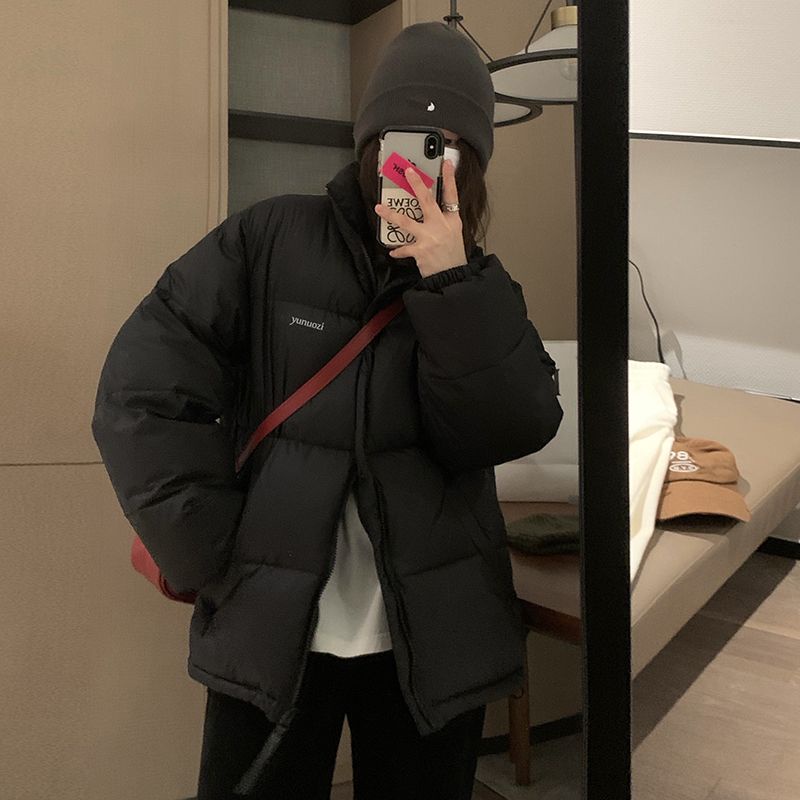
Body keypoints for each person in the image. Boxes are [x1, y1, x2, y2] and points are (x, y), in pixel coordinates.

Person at [91, 20, 563, 800]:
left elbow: (512, 425)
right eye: (410, 142)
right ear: (372, 145)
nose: (424, 167)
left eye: (449, 148)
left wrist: (448, 281)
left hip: (433, 633)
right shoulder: (270, 237)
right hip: (276, 628)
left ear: (473, 167)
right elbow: (140, 387)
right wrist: (209, 547)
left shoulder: (480, 288)